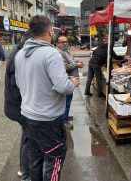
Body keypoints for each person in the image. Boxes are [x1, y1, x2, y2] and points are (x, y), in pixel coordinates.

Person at [15, 15, 79, 181]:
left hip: (28, 115)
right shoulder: (51, 53)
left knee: (35, 158)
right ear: (50, 31)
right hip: (48, 120)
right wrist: (72, 82)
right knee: (55, 157)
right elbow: (62, 87)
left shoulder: (20, 54)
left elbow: (20, 83)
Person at [4, 33, 31, 181]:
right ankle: (24, 169)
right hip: (18, 107)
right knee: (28, 137)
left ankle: (24, 166)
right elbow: (16, 85)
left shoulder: (18, 52)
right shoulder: (20, 56)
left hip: (16, 105)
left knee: (27, 136)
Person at [56, 36, 84, 129]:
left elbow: (70, 61)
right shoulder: (59, 52)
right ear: (58, 43)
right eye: (62, 42)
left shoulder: (65, 51)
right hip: (67, 79)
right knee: (66, 101)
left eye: (66, 41)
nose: (65, 43)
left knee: (68, 100)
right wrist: (77, 65)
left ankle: (65, 116)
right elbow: (65, 67)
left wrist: (76, 61)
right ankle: (63, 121)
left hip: (71, 80)